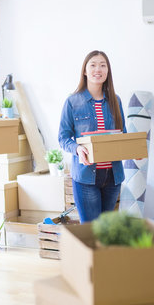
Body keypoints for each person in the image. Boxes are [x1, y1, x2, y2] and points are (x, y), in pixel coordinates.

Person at [58, 50, 126, 223]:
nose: (98, 69)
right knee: (90, 232)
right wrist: (78, 149)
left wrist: (131, 150)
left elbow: (122, 135)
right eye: (93, 65)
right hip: (86, 177)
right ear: (85, 71)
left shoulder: (115, 101)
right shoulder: (73, 102)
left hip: (112, 177)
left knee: (105, 232)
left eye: (103, 65)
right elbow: (63, 138)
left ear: (108, 71)